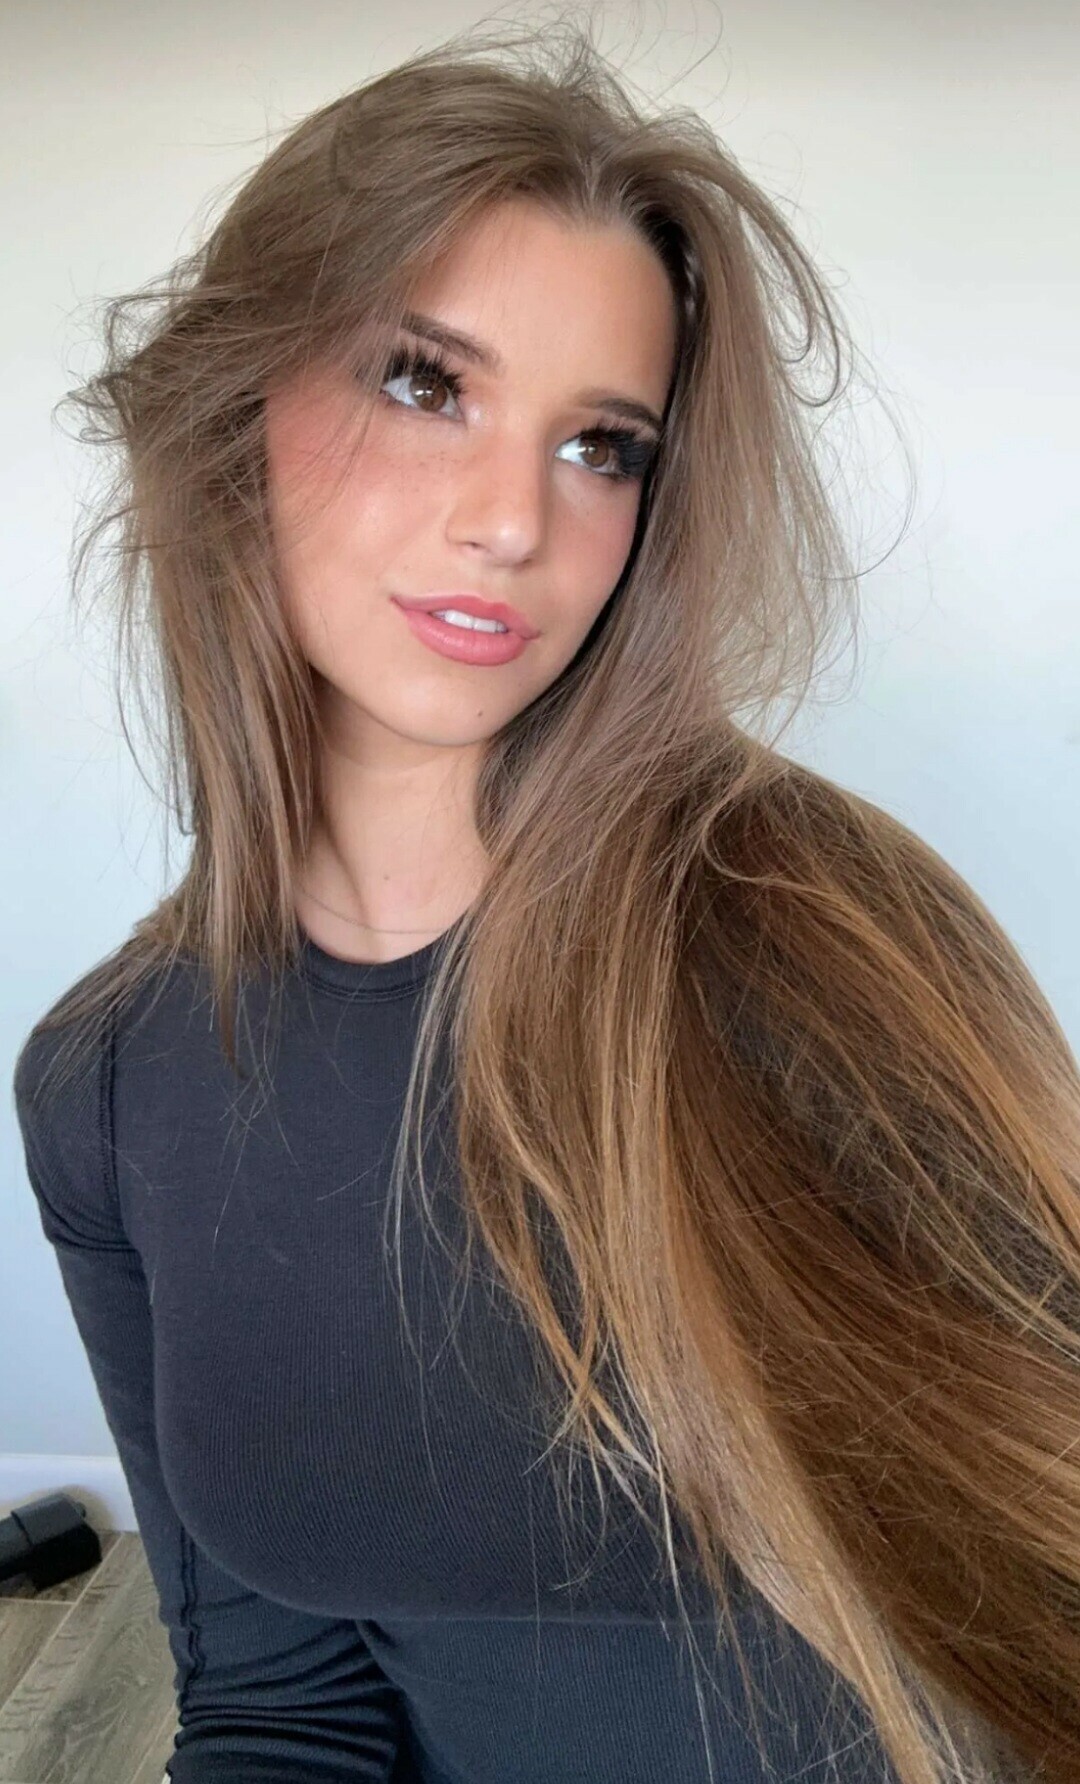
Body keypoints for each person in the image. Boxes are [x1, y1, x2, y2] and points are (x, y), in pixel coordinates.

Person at [12, 20, 1080, 1784]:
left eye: (602, 446)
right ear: (236, 404)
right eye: (424, 382)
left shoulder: (824, 941)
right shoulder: (111, 1092)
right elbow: (283, 1707)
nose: (514, 519)